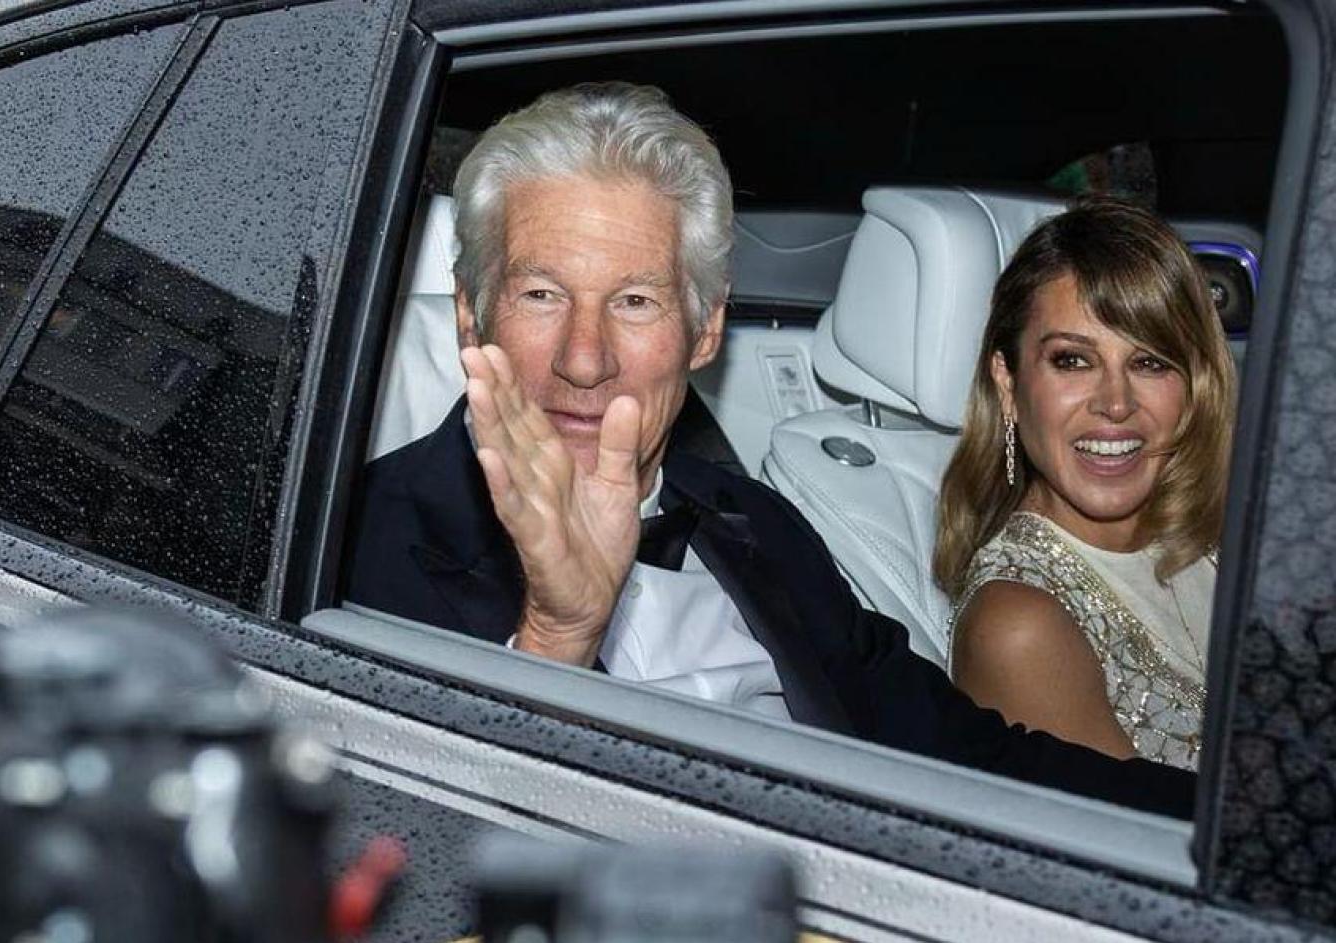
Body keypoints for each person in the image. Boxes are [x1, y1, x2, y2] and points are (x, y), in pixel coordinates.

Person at [344, 82, 1194, 816]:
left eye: (635, 301)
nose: (584, 358)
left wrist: (1238, 828)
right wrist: (556, 637)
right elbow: (407, 861)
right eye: (540, 294)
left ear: (705, 329)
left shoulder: (752, 522)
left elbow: (970, 759)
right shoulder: (350, 549)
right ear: (470, 312)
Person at [934, 198, 1235, 771]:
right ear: (1008, 381)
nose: (1116, 404)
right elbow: (1147, 851)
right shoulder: (1019, 625)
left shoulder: (1225, 541)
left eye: (1150, 363)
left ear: (1195, 385)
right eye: (1072, 361)